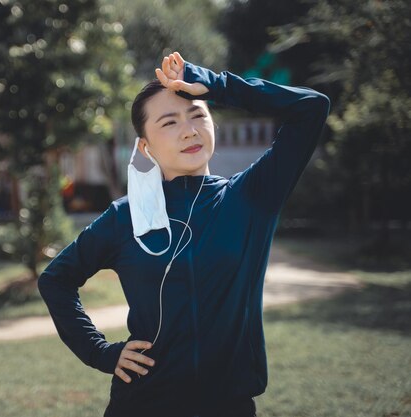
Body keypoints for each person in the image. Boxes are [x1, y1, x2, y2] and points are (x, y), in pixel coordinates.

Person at [37, 51, 330, 417]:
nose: (189, 130)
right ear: (145, 146)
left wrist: (217, 86)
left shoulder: (252, 197)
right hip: (141, 406)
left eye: (197, 115)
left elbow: (312, 107)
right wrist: (100, 352)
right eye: (169, 123)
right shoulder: (126, 216)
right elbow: (56, 279)